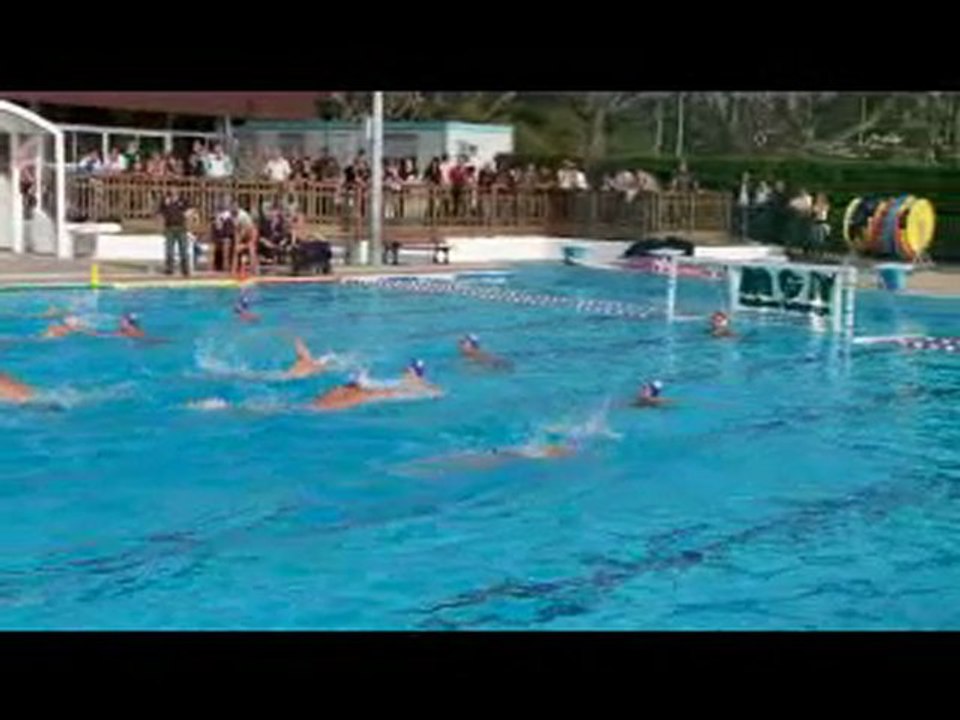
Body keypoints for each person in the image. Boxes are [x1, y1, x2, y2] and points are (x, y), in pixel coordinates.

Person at [158, 190, 193, 277]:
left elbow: (191, 209)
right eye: (172, 194)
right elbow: (159, 212)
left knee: (183, 249)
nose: (173, 195)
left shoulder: (183, 201)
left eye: (175, 194)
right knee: (169, 249)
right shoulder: (165, 201)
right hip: (169, 228)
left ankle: (185, 270)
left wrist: (187, 214)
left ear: (177, 195)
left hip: (181, 228)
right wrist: (162, 222)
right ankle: (169, 269)